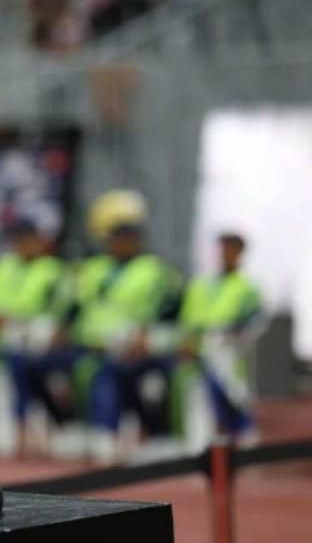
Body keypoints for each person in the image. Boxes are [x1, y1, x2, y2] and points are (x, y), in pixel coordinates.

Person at [73, 192, 180, 463]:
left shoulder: (155, 271)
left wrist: (148, 338)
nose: (121, 244)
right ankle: (85, 430)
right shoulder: (92, 269)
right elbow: (75, 311)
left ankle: (148, 434)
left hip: (138, 348)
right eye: (116, 239)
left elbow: (170, 314)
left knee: (130, 374)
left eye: (127, 239)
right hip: (90, 344)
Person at [0, 220, 74, 457]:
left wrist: (20, 322)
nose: (25, 245)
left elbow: (62, 313)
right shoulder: (3, 267)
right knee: (17, 363)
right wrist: (7, 321)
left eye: (30, 240)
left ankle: (37, 430)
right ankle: (23, 432)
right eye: (19, 240)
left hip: (43, 337)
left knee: (28, 366)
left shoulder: (54, 270)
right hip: (5, 337)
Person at [178, 233, 262, 441]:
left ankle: (245, 437)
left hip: (229, 352)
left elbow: (255, 322)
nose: (225, 255)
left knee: (233, 396)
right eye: (223, 250)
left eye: (231, 250)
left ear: (240, 254)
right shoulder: (200, 285)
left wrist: (237, 337)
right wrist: (188, 341)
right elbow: (188, 319)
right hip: (200, 351)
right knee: (201, 402)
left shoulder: (247, 288)